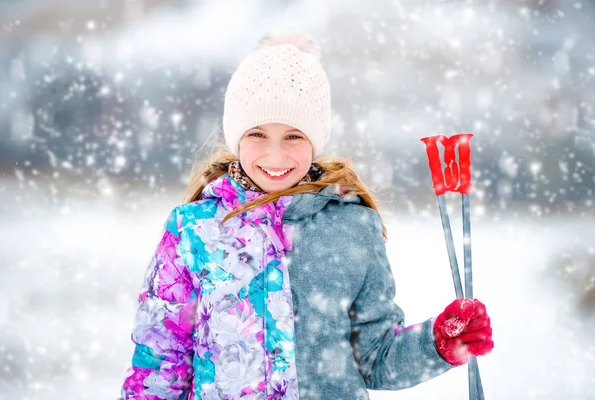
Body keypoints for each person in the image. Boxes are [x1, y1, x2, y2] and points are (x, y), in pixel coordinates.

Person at [118, 29, 493, 400]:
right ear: (235, 137)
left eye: (294, 136)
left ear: (316, 138)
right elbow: (159, 367)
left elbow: (376, 359)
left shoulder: (352, 226)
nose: (276, 155)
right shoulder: (193, 230)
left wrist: (439, 343)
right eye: (258, 135)